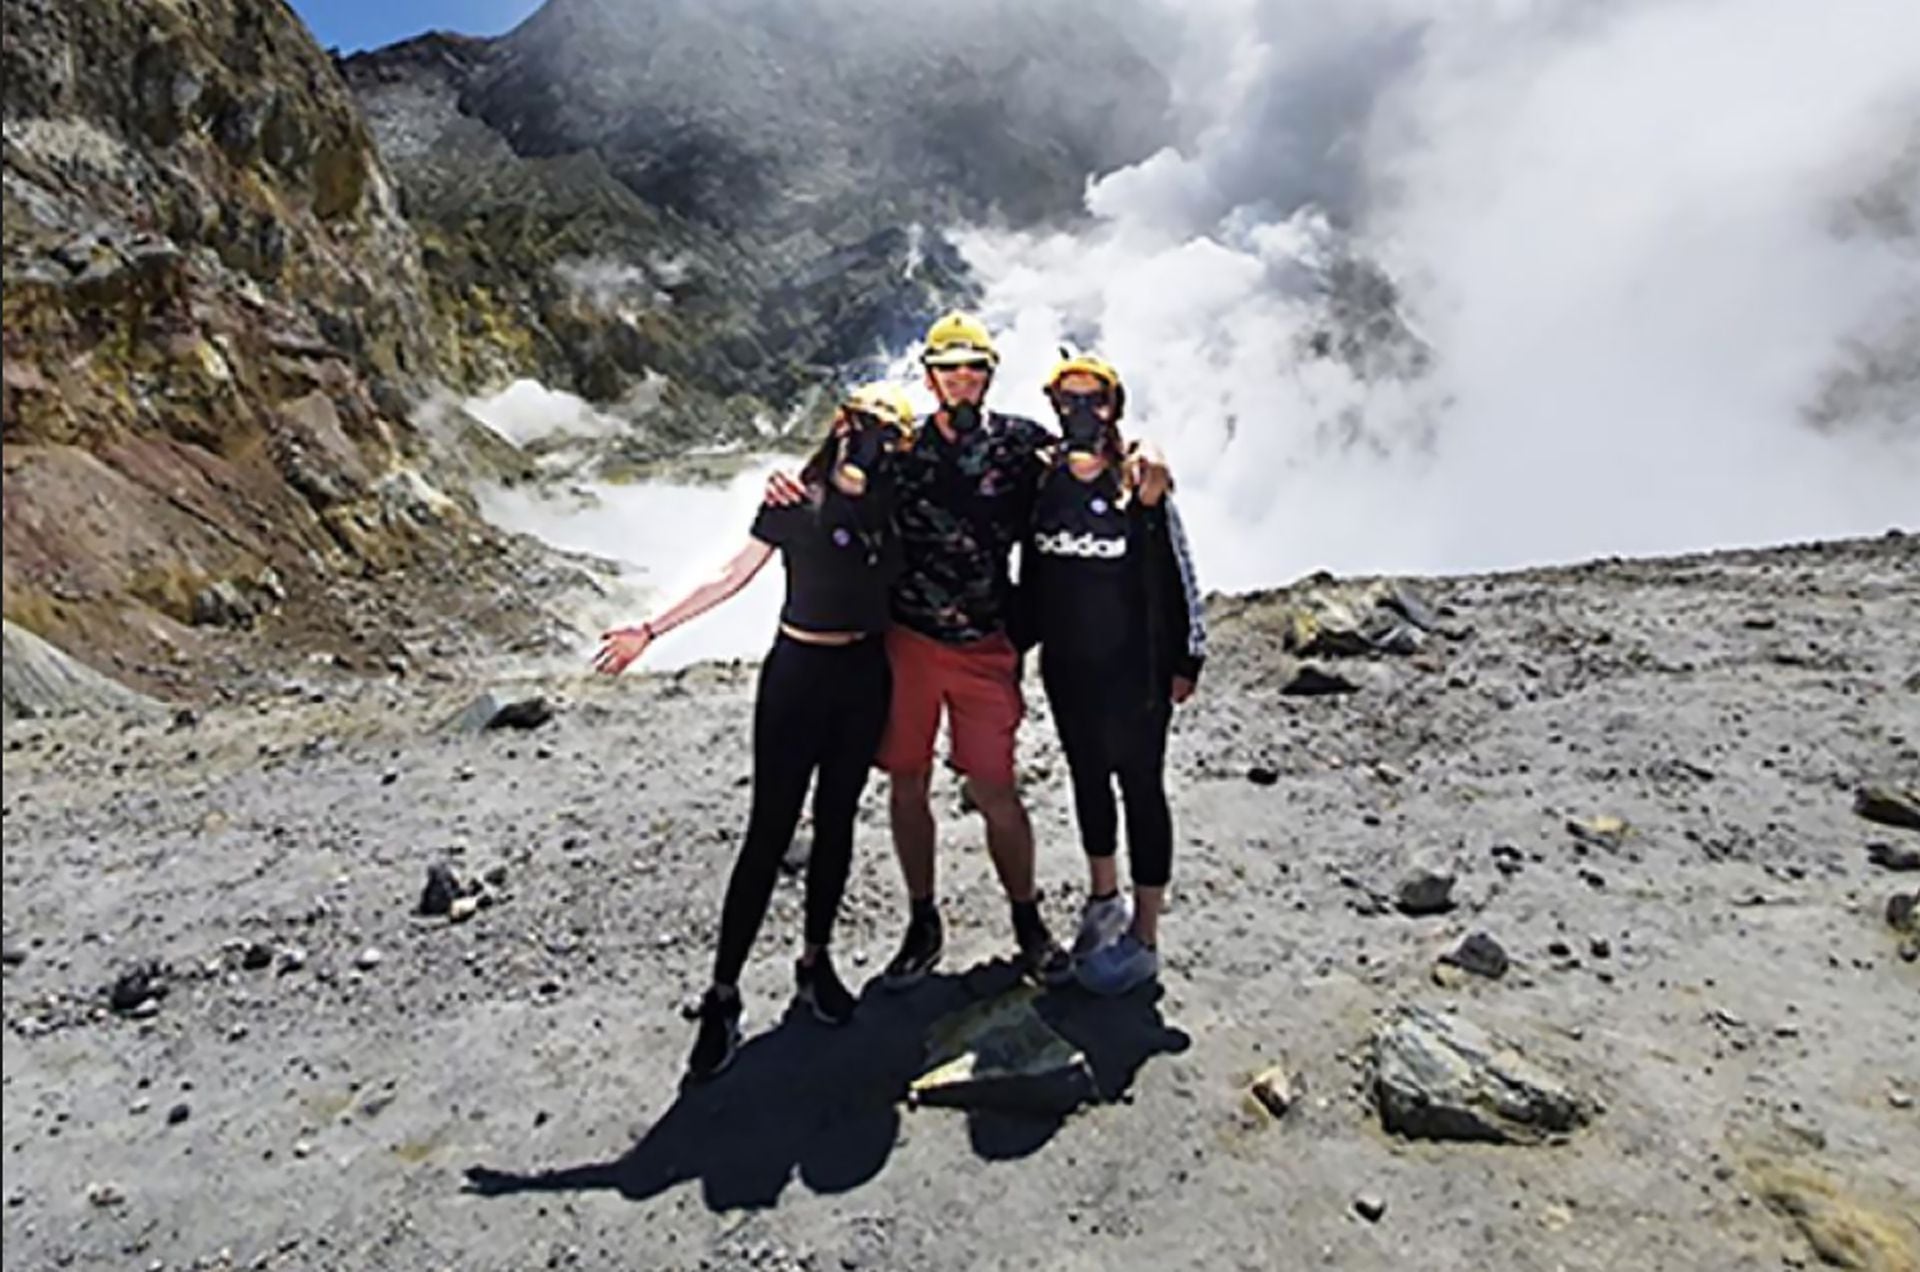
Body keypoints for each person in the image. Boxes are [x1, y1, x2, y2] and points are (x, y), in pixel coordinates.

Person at [766, 312, 1171, 990]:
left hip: (987, 644)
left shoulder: (1019, 446)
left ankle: (1026, 920)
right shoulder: (903, 446)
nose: (961, 379)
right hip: (909, 643)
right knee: (909, 782)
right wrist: (787, 484)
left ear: (988, 376)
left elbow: (1093, 455)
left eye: (974, 368)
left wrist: (1147, 453)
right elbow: (841, 476)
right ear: (927, 377)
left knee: (996, 789)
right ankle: (923, 922)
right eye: (949, 368)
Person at [595, 383, 916, 1081]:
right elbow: (732, 575)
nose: (877, 442)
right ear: (841, 424)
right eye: (868, 427)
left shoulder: (896, 502)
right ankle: (723, 993)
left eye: (890, 434)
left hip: (865, 676)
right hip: (799, 675)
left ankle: (814, 961)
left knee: (837, 823)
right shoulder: (794, 501)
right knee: (769, 831)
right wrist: (649, 629)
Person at [1022, 353, 1205, 995]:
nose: (1079, 411)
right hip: (1068, 668)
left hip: (1136, 673)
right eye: (1066, 398)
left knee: (1142, 789)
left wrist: (1188, 656)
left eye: (1092, 399)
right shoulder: (1041, 478)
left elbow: (1177, 566)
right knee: (1087, 782)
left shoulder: (1140, 478)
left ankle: (1145, 937)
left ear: (1113, 405)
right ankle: (1104, 899)